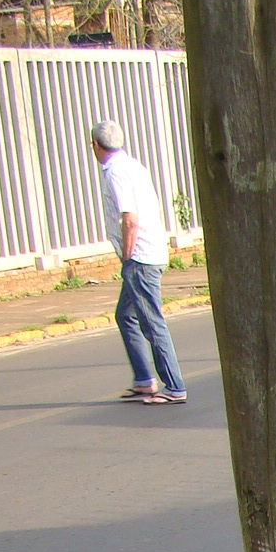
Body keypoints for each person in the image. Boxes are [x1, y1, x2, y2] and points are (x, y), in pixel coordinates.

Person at [90, 119, 186, 405]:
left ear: (95, 145)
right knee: (126, 315)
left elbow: (129, 218)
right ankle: (144, 380)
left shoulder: (116, 172)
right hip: (150, 252)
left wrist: (127, 256)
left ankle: (174, 386)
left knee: (151, 322)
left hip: (140, 257)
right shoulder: (133, 165)